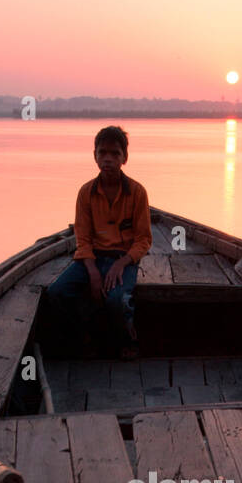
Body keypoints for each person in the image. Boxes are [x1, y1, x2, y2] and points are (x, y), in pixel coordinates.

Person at [45, 126, 151, 358]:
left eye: (115, 154)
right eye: (103, 153)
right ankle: (81, 337)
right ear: (95, 156)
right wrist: (92, 271)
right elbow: (82, 238)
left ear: (125, 158)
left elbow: (143, 240)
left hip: (123, 260)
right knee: (57, 293)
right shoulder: (86, 193)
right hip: (91, 259)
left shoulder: (137, 192)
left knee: (116, 300)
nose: (108, 159)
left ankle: (128, 340)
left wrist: (121, 263)